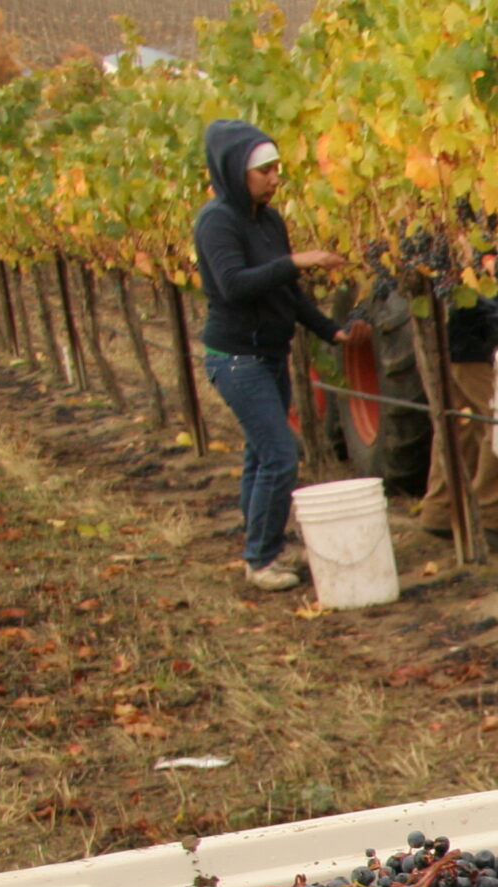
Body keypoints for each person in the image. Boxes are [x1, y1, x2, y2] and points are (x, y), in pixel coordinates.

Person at [193, 120, 351, 593]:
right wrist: (296, 260)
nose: (274, 177)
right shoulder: (217, 221)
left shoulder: (270, 220)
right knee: (281, 455)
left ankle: (264, 547)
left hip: (269, 355)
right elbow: (234, 285)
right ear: (235, 171)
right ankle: (260, 559)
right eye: (264, 170)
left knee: (261, 458)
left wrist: (331, 330)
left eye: (277, 168)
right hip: (236, 360)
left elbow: (288, 290)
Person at [418, 295, 498, 554]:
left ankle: (441, 512)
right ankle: (488, 519)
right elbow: (493, 297)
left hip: (457, 340)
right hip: (482, 343)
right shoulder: (489, 258)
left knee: (461, 425)